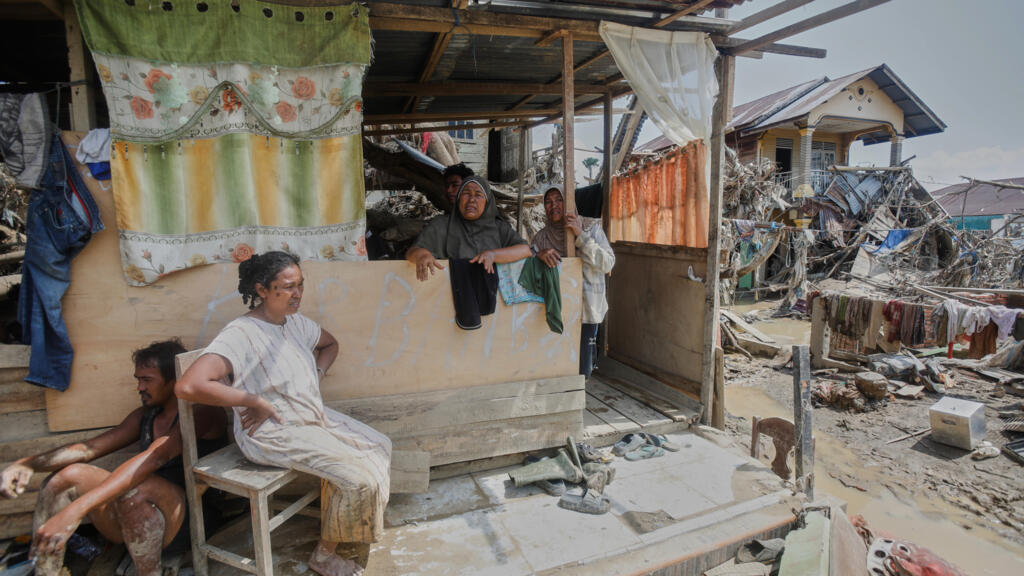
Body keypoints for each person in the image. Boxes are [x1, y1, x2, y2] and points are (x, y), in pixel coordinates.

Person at [174, 251, 391, 576]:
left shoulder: (295, 323)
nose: (297, 293)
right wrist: (254, 401)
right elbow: (188, 385)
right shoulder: (241, 333)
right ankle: (324, 556)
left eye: (300, 285)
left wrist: (317, 373)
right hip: (271, 431)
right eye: (288, 287)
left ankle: (345, 528)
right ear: (262, 290)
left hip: (309, 417)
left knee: (380, 446)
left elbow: (330, 344)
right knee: (356, 478)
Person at [0, 339, 226, 576]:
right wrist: (28, 464)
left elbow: (156, 457)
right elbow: (88, 449)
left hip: (189, 522)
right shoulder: (145, 416)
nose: (140, 387)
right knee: (65, 477)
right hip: (139, 520)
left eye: (147, 380)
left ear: (174, 380)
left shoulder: (203, 412)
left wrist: (74, 511)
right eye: (138, 380)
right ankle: (44, 570)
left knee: (137, 488)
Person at [532, 185, 615, 377]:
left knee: (582, 370)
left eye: (559, 200)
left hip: (585, 311)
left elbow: (607, 263)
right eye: (548, 202)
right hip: (555, 311)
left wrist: (580, 235)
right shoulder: (541, 238)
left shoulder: (590, 227)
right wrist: (538, 256)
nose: (553, 205)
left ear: (569, 202)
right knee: (557, 366)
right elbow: (529, 267)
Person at [406, 175, 531, 282]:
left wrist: (493, 255)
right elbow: (412, 251)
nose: (471, 200)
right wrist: (422, 255)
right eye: (466, 194)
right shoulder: (441, 225)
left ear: (487, 201)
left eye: (478, 195)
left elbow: (525, 250)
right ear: (459, 199)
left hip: (493, 298)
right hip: (445, 295)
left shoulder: (498, 227)